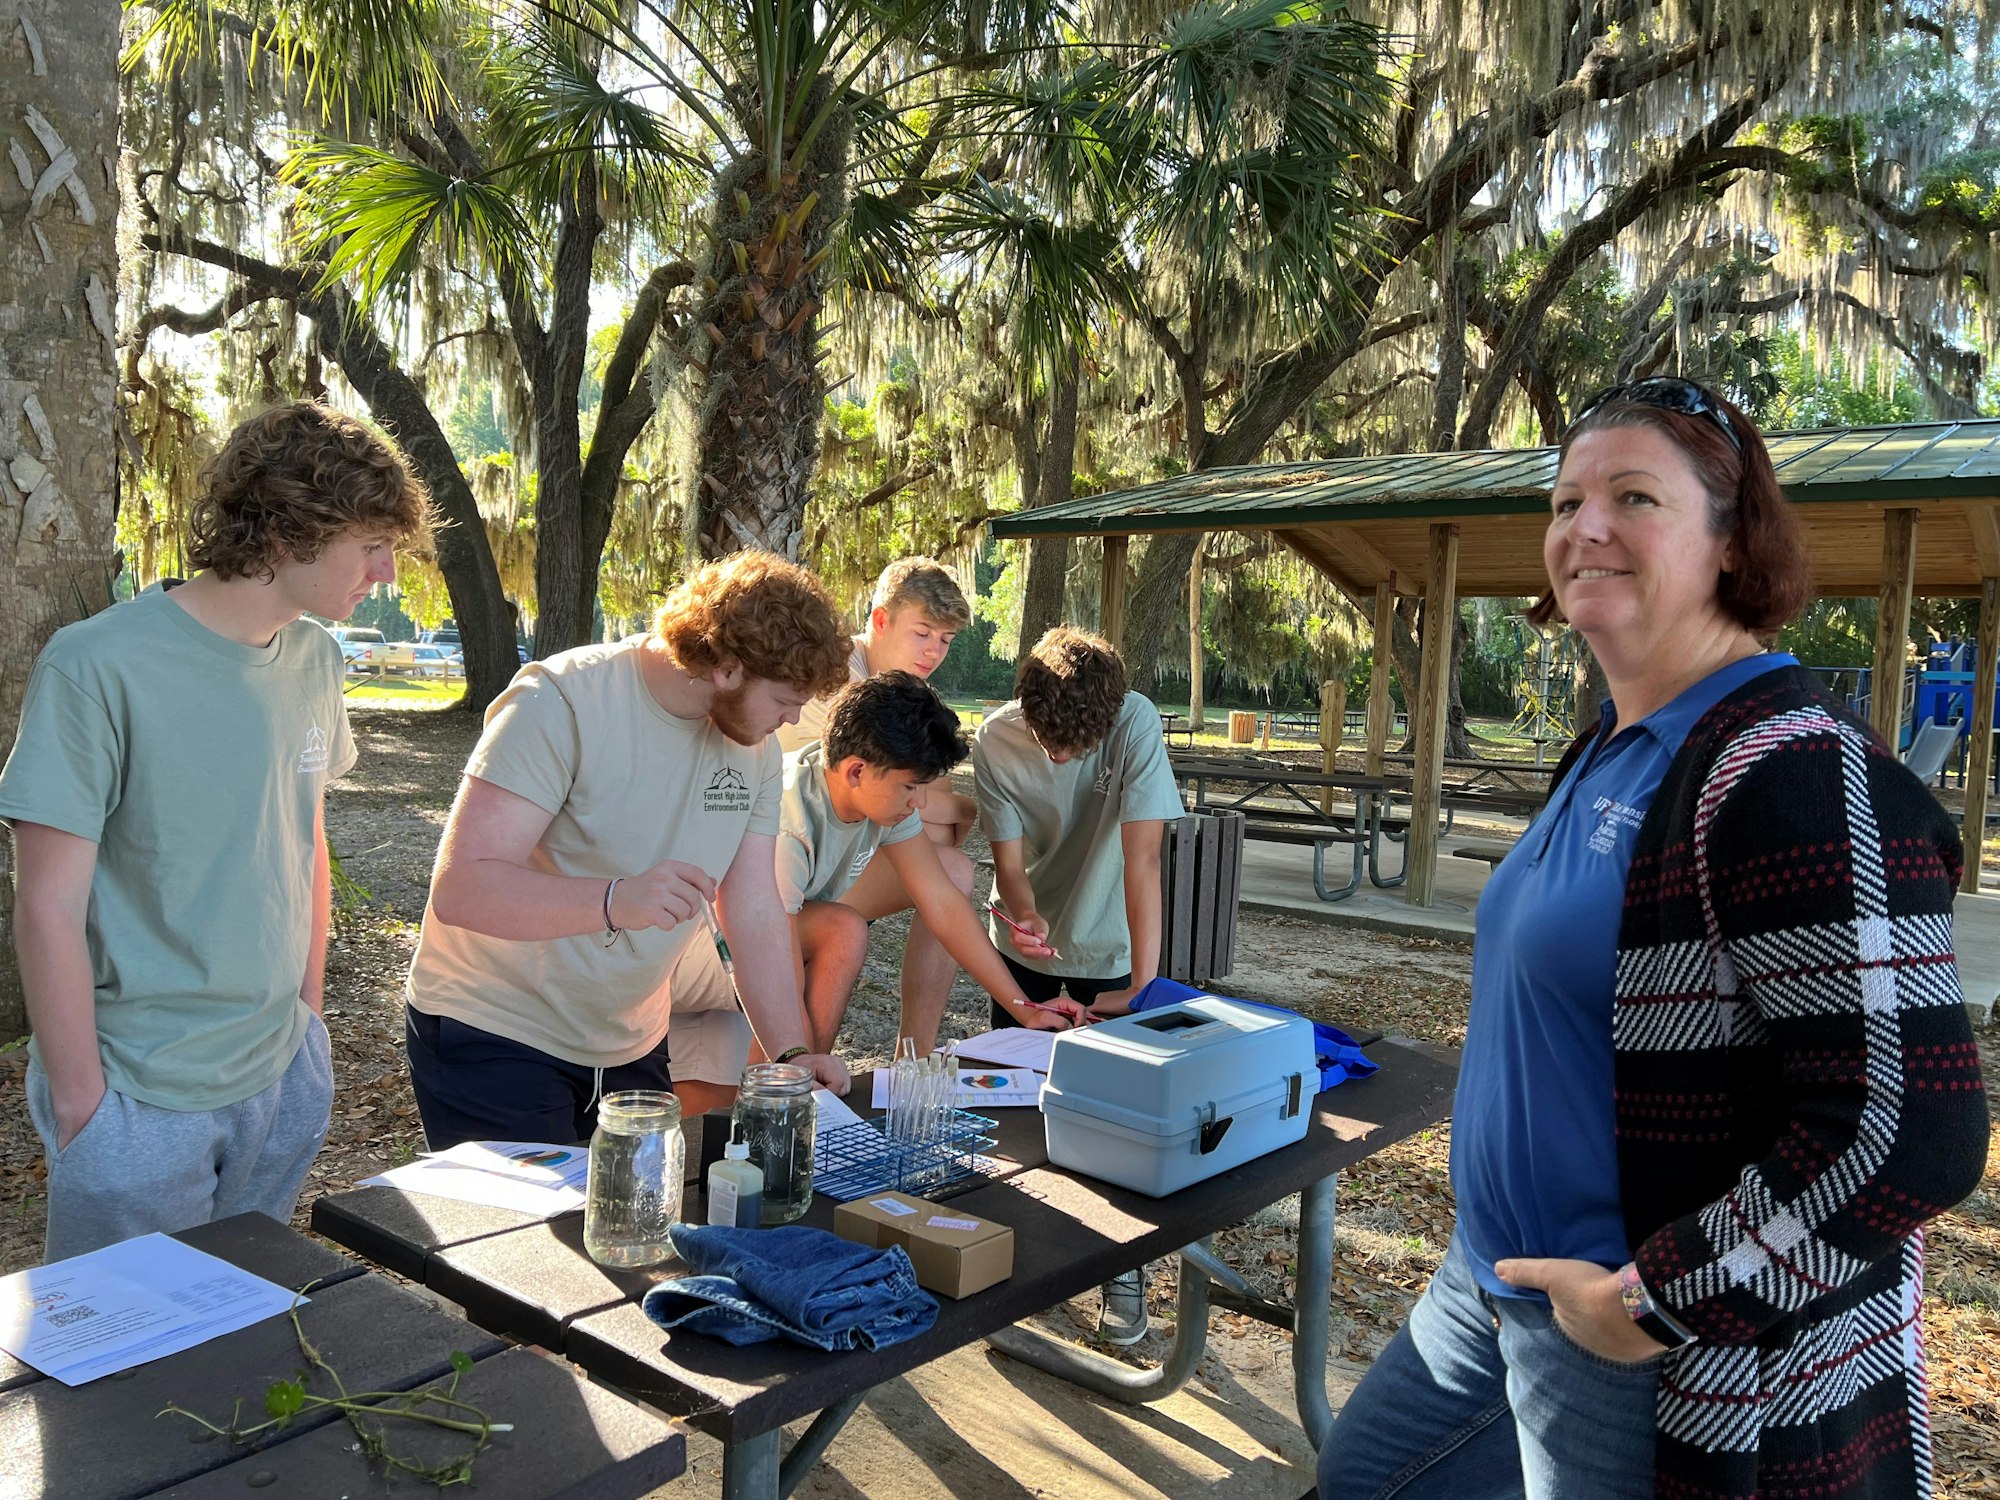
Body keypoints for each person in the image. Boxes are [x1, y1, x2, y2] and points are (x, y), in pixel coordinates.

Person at [1321, 377, 1989, 1500]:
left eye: (1634, 497)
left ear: (1730, 542)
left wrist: (1654, 1301)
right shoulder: (1609, 744)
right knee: (1366, 1479)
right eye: (1564, 499)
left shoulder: (1793, 771)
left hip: (1642, 1343)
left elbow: (1907, 1129)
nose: (1584, 528)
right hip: (1486, 1284)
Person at [0, 401, 434, 1261]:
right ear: (292, 527)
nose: (386, 573)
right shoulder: (95, 665)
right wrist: (86, 1105)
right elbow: (46, 903)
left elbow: (302, 841)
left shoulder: (315, 661)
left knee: (234, 1339)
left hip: (278, 1077)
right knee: (118, 1369)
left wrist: (308, 1028)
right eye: (372, 544)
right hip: (137, 1091)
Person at [402, 551, 856, 1152]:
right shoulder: (559, 702)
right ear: (725, 668)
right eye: (784, 700)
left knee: (636, 1231)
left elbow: (752, 908)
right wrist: (616, 900)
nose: (796, 719)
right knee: (526, 1245)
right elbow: (463, 888)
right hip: (495, 1031)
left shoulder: (756, 749)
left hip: (632, 1043)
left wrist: (792, 1053)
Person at [669, 673, 1088, 1113]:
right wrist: (796, 1056)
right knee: (842, 930)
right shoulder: (789, 821)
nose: (921, 804)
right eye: (911, 787)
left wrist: (1024, 1007)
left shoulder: (872, 789)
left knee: (903, 894)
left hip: (767, 933)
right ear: (856, 771)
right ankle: (781, 1102)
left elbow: (943, 903)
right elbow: (766, 952)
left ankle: (805, 1095)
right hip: (706, 951)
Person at [971, 626, 1186, 1345]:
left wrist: (1147, 988)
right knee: (1018, 1121)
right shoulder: (996, 741)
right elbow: (1010, 868)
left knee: (1115, 1129)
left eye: (1074, 750)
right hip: (1024, 956)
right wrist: (1025, 917)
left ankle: (1120, 1276)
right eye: (1047, 741)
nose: (1058, 757)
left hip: (1114, 957)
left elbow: (1144, 861)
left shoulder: (1134, 721)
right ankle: (1012, 1264)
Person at [777, 557, 978, 846]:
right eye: (922, 633)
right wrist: (965, 808)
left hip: (832, 826)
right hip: (796, 835)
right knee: (946, 855)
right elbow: (877, 796)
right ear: (881, 620)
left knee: (937, 788)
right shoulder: (841, 680)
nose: (934, 652)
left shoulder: (895, 683)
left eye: (946, 639)